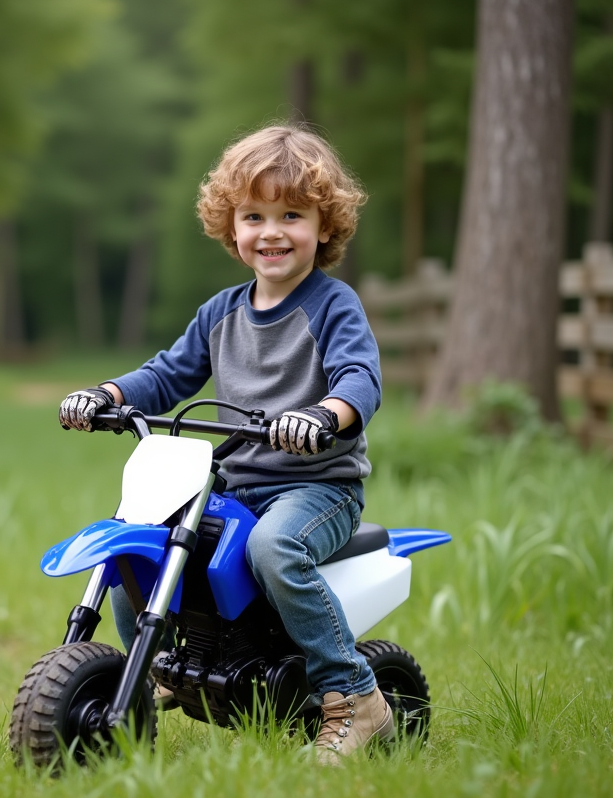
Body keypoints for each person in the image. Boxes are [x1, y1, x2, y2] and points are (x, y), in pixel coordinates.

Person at [57, 124, 389, 763]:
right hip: (232, 483)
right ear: (231, 228)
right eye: (254, 215)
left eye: (292, 214)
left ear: (324, 227)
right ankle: (151, 673)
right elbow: (165, 375)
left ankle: (353, 695)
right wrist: (107, 395)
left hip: (315, 485)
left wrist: (326, 414)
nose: (272, 230)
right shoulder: (221, 313)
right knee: (141, 554)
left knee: (274, 547)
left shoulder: (333, 306)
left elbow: (361, 378)